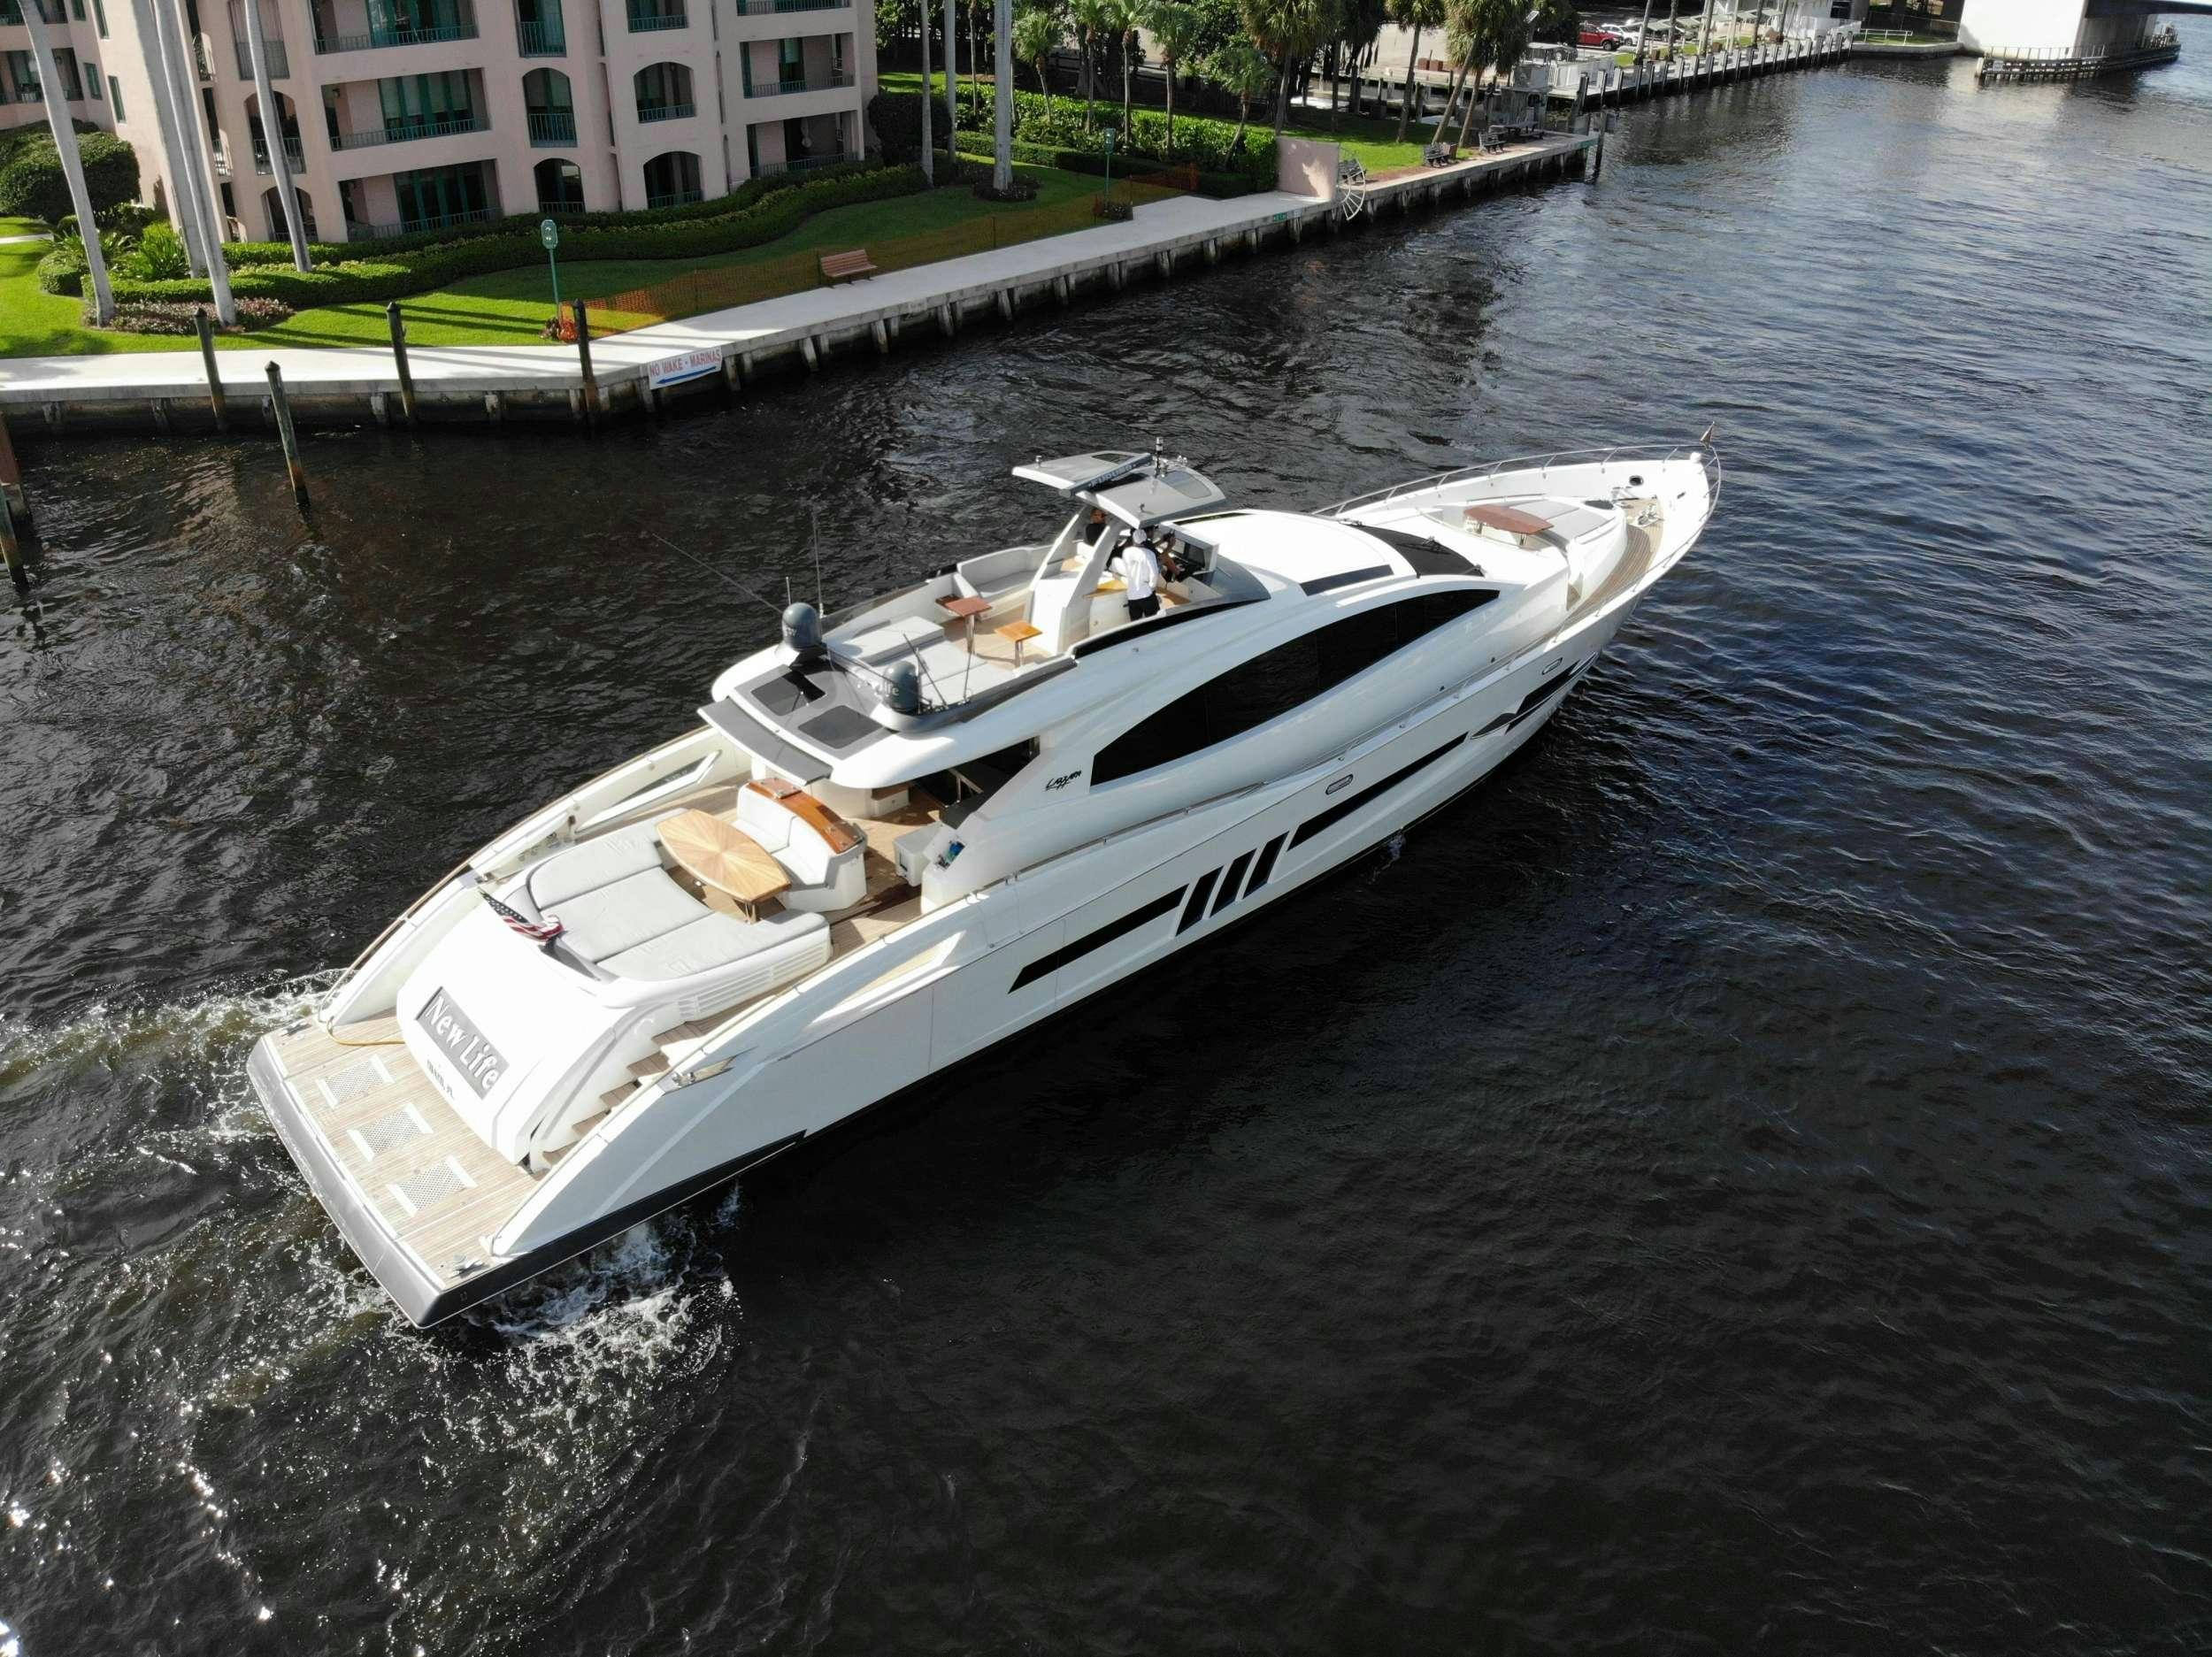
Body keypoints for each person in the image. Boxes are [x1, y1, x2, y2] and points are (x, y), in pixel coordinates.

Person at [1111, 532, 1163, 621]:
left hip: (1132, 595)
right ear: (1145, 540)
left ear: (1133, 540)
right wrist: (1151, 588)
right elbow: (1154, 574)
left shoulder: (1126, 552)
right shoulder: (1149, 553)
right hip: (1146, 594)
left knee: (1135, 623)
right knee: (1155, 623)